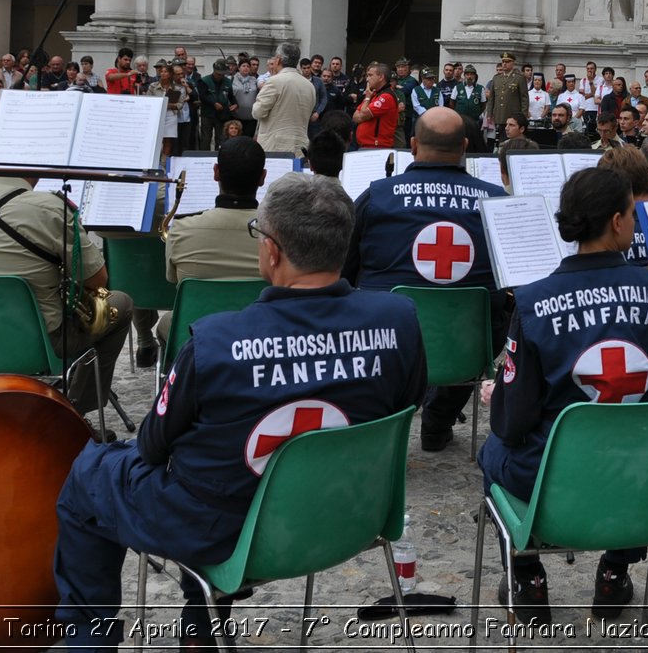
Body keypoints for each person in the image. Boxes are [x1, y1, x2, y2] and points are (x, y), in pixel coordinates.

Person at [52, 174, 426, 648]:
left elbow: (151, 445)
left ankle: (89, 642)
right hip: (347, 515)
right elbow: (405, 405)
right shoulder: (399, 319)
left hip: (228, 529)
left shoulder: (214, 341)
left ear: (271, 251)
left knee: (91, 473)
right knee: (210, 462)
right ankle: (202, 624)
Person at [480, 168, 648, 621]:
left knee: (492, 451)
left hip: (556, 486)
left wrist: (501, 393)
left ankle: (527, 579)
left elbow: (511, 422)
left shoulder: (532, 301)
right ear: (619, 221)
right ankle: (614, 572)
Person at [345, 106, 506, 450]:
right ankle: (438, 420)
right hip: (469, 346)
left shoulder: (377, 196)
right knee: (494, 310)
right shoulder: (497, 200)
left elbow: (344, 266)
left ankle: (385, 423)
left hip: (387, 341)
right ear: (464, 146)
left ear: (414, 145)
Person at [0, 172, 133, 415]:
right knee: (120, 304)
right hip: (38, 347)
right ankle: (75, 411)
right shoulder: (51, 207)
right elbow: (97, 280)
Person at [155, 137, 267, 363]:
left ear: (216, 173)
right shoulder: (278, 234)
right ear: (263, 177)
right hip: (260, 339)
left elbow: (172, 279)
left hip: (197, 336)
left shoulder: (182, 229)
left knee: (166, 323)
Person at [252, 44, 315, 154]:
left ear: (279, 59)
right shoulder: (309, 85)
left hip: (275, 146)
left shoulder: (274, 81)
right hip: (301, 144)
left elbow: (257, 112)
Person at [487, 52, 526, 129]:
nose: (504, 64)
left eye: (507, 62)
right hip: (499, 115)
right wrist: (489, 114)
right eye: (503, 62)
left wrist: (523, 116)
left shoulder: (519, 78)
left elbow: (524, 98)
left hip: (513, 116)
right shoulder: (496, 78)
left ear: (512, 63)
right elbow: (491, 98)